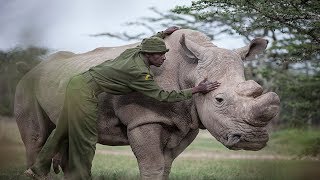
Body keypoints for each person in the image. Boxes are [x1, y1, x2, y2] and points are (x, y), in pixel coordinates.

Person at [25, 26, 220, 180]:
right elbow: (162, 96)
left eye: (164, 53)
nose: (164, 58)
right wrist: (196, 90)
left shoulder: (134, 54)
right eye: (160, 54)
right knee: (86, 140)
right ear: (149, 56)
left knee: (61, 130)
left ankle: (37, 169)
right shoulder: (139, 73)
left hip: (77, 83)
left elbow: (143, 43)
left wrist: (162, 34)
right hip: (84, 92)